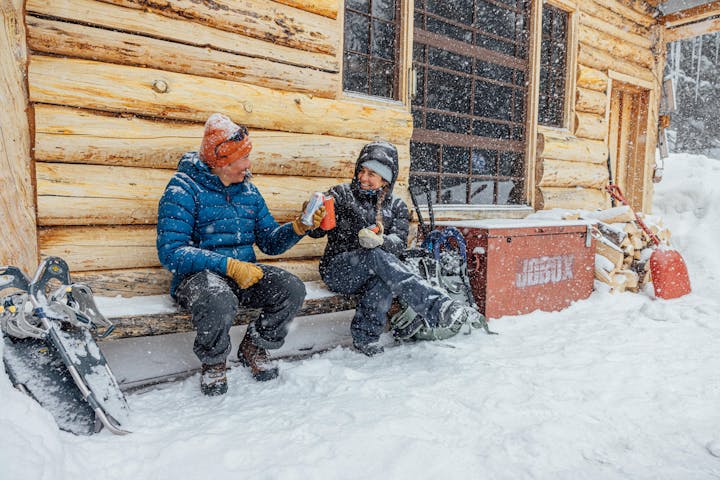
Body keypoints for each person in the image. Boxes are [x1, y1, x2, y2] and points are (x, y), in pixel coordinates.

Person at [156, 113, 325, 396]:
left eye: (248, 157)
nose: (248, 166)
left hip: (242, 275)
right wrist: (228, 265)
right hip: (198, 280)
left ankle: (254, 347)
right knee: (217, 297)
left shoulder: (249, 191)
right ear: (220, 162)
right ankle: (214, 362)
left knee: (291, 288)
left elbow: (270, 242)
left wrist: (298, 227)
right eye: (241, 160)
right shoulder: (182, 189)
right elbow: (172, 252)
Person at [309, 141, 486, 356]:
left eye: (371, 174)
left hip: (374, 270)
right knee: (374, 257)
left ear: (385, 180)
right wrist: (314, 218)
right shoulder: (342, 195)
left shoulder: (397, 207)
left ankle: (366, 338)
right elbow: (316, 231)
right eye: (362, 171)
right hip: (339, 270)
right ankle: (435, 305)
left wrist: (381, 241)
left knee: (382, 276)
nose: (363, 178)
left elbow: (399, 244)